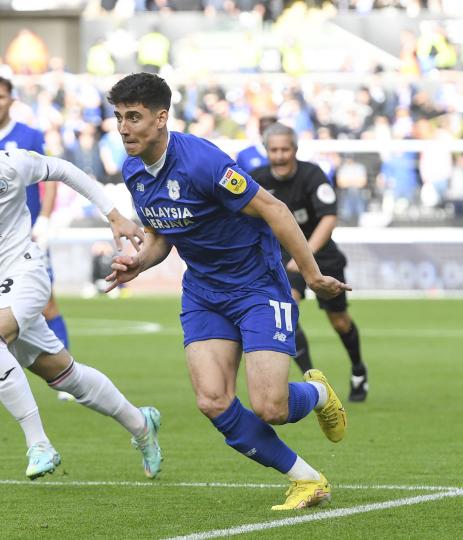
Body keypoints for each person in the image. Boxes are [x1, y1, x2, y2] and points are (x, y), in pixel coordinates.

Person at [104, 73, 349, 510]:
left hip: (257, 285)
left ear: (161, 118)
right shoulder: (133, 170)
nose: (124, 128)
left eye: (134, 117)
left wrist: (310, 275)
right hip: (203, 292)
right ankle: (307, 479)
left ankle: (317, 393)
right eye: (119, 117)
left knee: (270, 407)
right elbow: (161, 234)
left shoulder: (203, 163)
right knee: (213, 400)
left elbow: (274, 209)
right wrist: (138, 263)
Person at [0, 100, 162, 480]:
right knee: (65, 375)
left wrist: (114, 213)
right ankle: (141, 424)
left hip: (26, 271)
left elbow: (64, 169)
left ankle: (39, 444)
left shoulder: (9, 163)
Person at [0, 75, 74, 402]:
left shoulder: (29, 135)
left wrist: (45, 218)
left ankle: (67, 378)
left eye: (0, 97)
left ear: (10, 99)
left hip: (25, 235)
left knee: (46, 303)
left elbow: (48, 176)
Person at [251, 123, 369, 402]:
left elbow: (329, 218)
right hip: (280, 257)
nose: (279, 156)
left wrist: (304, 255)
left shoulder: (312, 175)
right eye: (274, 150)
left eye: (285, 149)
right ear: (267, 150)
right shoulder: (255, 178)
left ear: (295, 150)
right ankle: (314, 378)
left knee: (339, 321)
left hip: (321, 254)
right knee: (287, 310)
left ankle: (358, 369)